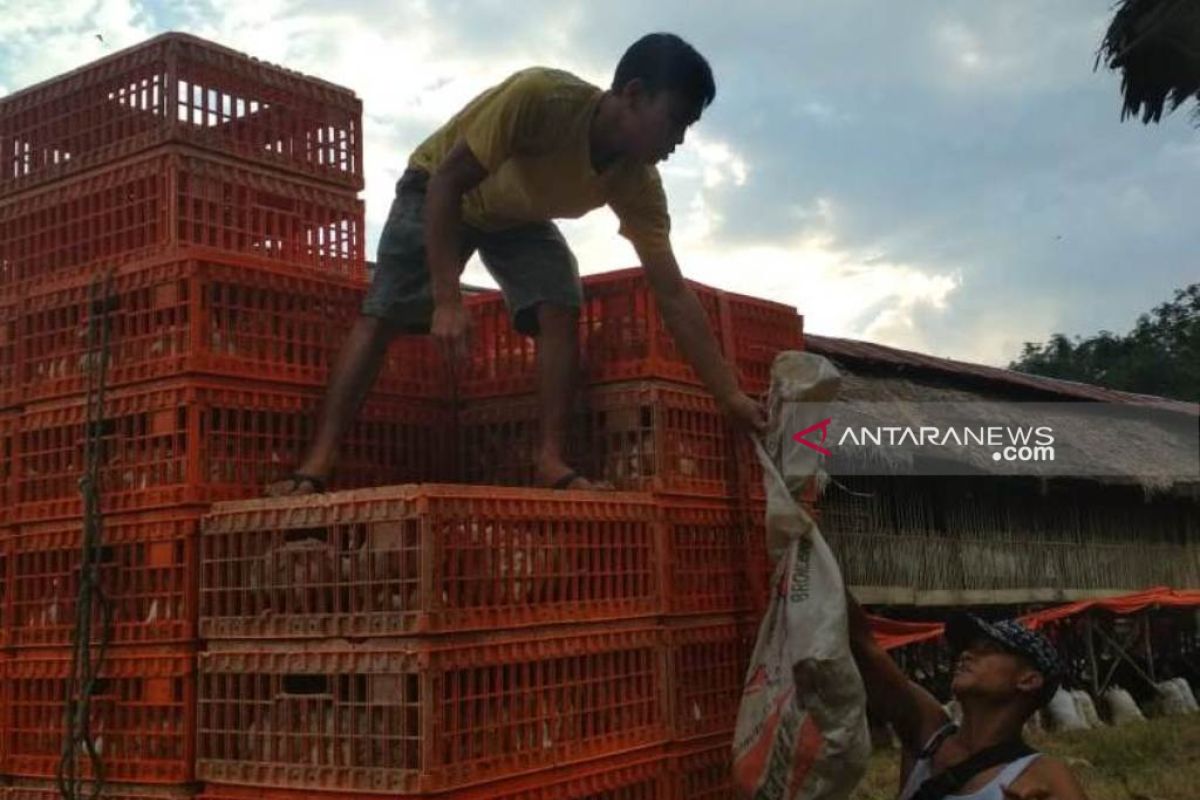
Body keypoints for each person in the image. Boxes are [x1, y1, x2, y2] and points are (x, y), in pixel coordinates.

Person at [267, 32, 765, 496]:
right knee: (385, 312)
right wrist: (446, 298)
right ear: (634, 95)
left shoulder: (638, 183)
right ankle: (317, 462)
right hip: (440, 188)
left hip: (513, 214)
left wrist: (729, 397)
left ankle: (550, 459)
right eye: (675, 121)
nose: (678, 141)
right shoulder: (542, 98)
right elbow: (447, 184)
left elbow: (673, 295)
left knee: (559, 298)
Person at [847, 596, 1090, 800]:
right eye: (967, 648)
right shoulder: (927, 733)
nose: (965, 655)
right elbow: (862, 645)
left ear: (1028, 680)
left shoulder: (1045, 776)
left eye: (987, 649)